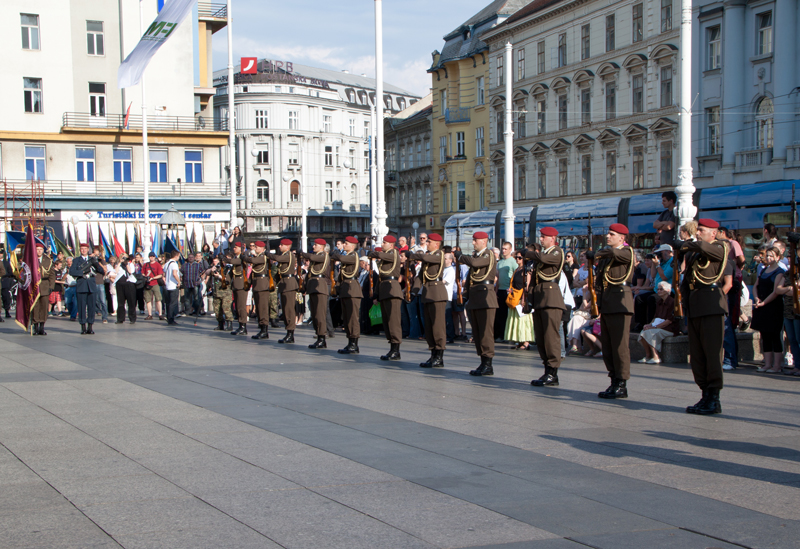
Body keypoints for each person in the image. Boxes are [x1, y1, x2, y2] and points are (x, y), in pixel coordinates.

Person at [679, 219, 732, 415]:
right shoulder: (695, 252)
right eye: (698, 230)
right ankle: (704, 393)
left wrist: (684, 244)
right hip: (695, 304)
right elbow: (687, 280)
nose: (698, 233)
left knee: (711, 353)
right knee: (698, 355)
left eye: (702, 230)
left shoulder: (720, 247)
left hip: (711, 304)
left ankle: (714, 397)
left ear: (714, 233)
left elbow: (703, 246)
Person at [588, 223, 635, 399]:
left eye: (612, 234)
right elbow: (599, 282)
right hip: (608, 302)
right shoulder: (608, 255)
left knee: (619, 346)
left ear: (622, 238)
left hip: (620, 301)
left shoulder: (626, 251)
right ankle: (613, 379)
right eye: (608, 234)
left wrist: (597, 253)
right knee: (607, 345)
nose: (608, 237)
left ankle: (622, 383)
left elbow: (615, 253)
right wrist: (596, 304)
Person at [523, 227, 567, 387]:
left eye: (543, 237)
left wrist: (528, 253)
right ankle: (547, 370)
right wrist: (529, 300)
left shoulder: (556, 252)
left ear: (553, 238)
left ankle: (553, 372)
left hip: (551, 298)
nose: (540, 239)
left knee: (551, 337)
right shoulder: (542, 256)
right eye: (541, 237)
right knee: (541, 338)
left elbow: (544, 259)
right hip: (540, 299)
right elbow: (534, 280)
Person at [459, 232, 498, 376]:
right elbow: (471, 278)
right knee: (477, 332)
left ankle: (488, 364)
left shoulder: (488, 255)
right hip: (475, 298)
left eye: (475, 240)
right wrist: (466, 295)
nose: (473, 243)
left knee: (486, 333)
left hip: (485, 298)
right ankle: (483, 362)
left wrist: (460, 256)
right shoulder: (476, 256)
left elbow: (475, 264)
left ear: (484, 241)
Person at [409, 233, 448, 368]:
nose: (427, 244)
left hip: (437, 293)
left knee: (438, 326)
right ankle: (433, 354)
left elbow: (424, 257)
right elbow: (420, 276)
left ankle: (439, 356)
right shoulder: (428, 257)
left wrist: (412, 255)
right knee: (429, 327)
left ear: (436, 244)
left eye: (429, 241)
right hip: (427, 293)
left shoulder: (438, 254)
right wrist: (414, 291)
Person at [369, 236, 404, 360]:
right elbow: (380, 278)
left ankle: (396, 349)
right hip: (384, 290)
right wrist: (377, 293)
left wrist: (373, 253)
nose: (382, 244)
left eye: (385, 242)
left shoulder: (394, 253)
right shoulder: (384, 256)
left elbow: (380, 255)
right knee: (387, 321)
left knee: (393, 321)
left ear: (391, 245)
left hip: (392, 290)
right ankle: (391, 348)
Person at [752, 246, 786, 373]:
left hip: (773, 306)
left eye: (772, 255)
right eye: (767, 255)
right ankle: (767, 364)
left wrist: (764, 302)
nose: (768, 258)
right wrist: (756, 298)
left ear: (778, 257)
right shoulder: (764, 270)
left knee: (775, 335)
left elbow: (775, 291)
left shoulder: (780, 271)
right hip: (761, 305)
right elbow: (756, 285)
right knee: (764, 335)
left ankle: (776, 365)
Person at [331, 236, 363, 354]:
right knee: (346, 317)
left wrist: (335, 254)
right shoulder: (346, 257)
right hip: (345, 289)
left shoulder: (353, 256)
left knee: (352, 318)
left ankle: (354, 343)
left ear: (352, 245)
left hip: (352, 289)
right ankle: (350, 342)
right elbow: (341, 275)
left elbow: (341, 258)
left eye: (346, 243)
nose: (344, 245)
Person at [299, 239, 332, 349]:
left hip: (320, 286)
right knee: (314, 314)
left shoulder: (323, 255)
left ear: (322, 246)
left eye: (315, 245)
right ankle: (319, 336)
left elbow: (312, 257)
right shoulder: (316, 256)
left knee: (320, 314)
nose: (313, 247)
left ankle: (322, 338)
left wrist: (303, 254)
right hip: (313, 286)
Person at [637, 281, 678, 364]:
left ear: (667, 291)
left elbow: (669, 321)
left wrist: (654, 327)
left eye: (661, 289)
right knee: (643, 332)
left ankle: (656, 356)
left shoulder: (672, 302)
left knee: (650, 333)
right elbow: (655, 317)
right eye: (658, 289)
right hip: (658, 325)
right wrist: (649, 324)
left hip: (669, 328)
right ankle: (648, 355)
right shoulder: (659, 302)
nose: (658, 291)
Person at [69, 242, 104, 334]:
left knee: (92, 307)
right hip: (82, 285)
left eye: (85, 248)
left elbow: (101, 271)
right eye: (82, 249)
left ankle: (90, 326)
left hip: (91, 285)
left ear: (88, 250)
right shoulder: (76, 260)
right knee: (81, 307)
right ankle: (83, 326)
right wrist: (82, 273)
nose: (83, 250)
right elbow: (72, 271)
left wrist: (95, 264)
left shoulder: (92, 259)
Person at [243, 241, 272, 340]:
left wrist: (244, 257)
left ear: (262, 248)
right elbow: (253, 273)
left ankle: (264, 330)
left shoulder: (263, 257)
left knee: (263, 308)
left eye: (256, 247)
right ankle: (261, 328)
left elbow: (253, 261)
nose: (255, 248)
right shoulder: (257, 257)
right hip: (256, 285)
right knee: (259, 308)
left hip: (262, 285)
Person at [30, 244, 55, 335]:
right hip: (34, 287)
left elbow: (52, 275)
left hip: (44, 286)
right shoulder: (31, 260)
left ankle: (42, 326)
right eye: (37, 249)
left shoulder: (48, 260)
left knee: (44, 307)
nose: (39, 251)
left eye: (41, 249)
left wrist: (51, 287)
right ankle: (35, 326)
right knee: (35, 307)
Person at [494, 242, 516, 342]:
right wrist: (496, 290)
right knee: (499, 313)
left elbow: (516, 275)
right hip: (500, 290)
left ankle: (506, 335)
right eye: (503, 249)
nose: (504, 251)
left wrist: (512, 289)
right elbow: (498, 278)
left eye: (506, 249)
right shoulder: (500, 262)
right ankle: (499, 334)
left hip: (508, 290)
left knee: (507, 314)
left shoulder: (513, 262)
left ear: (510, 249)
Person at [205, 256, 233, 332]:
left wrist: (219, 276)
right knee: (217, 310)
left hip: (225, 292)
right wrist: (211, 270)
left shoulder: (229, 268)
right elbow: (207, 273)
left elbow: (228, 280)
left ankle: (229, 325)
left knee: (227, 309)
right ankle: (220, 324)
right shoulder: (217, 267)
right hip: (217, 292)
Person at [226, 241, 249, 335]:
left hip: (241, 285)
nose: (234, 248)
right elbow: (232, 272)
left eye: (236, 247)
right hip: (236, 285)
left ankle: (243, 327)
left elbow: (234, 262)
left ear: (241, 248)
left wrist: (225, 259)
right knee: (238, 307)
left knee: (241, 307)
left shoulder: (242, 258)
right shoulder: (236, 258)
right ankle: (240, 326)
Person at [114, 259, 141, 324]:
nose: (124, 260)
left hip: (129, 284)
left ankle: (132, 318)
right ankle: (120, 318)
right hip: (120, 284)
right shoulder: (118, 265)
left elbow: (130, 271)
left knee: (131, 302)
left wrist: (126, 264)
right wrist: (119, 263)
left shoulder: (130, 264)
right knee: (120, 303)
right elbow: (116, 271)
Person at [142, 253, 164, 320]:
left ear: (155, 257)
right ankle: (149, 314)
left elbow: (160, 274)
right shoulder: (145, 264)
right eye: (150, 256)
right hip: (147, 284)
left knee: (158, 299)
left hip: (155, 283)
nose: (151, 257)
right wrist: (145, 277)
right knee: (148, 300)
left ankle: (160, 314)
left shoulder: (157, 264)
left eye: (153, 256)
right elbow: (142, 272)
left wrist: (153, 278)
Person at [163, 251, 181, 326]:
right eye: (179, 256)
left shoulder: (167, 263)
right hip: (173, 285)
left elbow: (164, 273)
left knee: (168, 303)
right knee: (173, 303)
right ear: (176, 256)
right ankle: (171, 319)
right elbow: (174, 274)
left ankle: (168, 317)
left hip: (167, 285)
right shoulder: (174, 264)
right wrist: (179, 282)